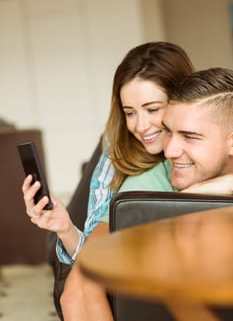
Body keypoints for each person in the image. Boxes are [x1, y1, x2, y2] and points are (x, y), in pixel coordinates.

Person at [22, 41, 196, 320]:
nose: (140, 126)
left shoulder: (206, 139)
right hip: (111, 231)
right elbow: (91, 246)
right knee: (75, 287)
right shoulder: (119, 149)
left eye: (152, 109)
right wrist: (65, 228)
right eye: (130, 112)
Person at [59, 62, 233, 320]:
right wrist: (191, 199)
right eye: (169, 131)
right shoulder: (144, 188)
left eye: (189, 136)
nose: (170, 150)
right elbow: (81, 289)